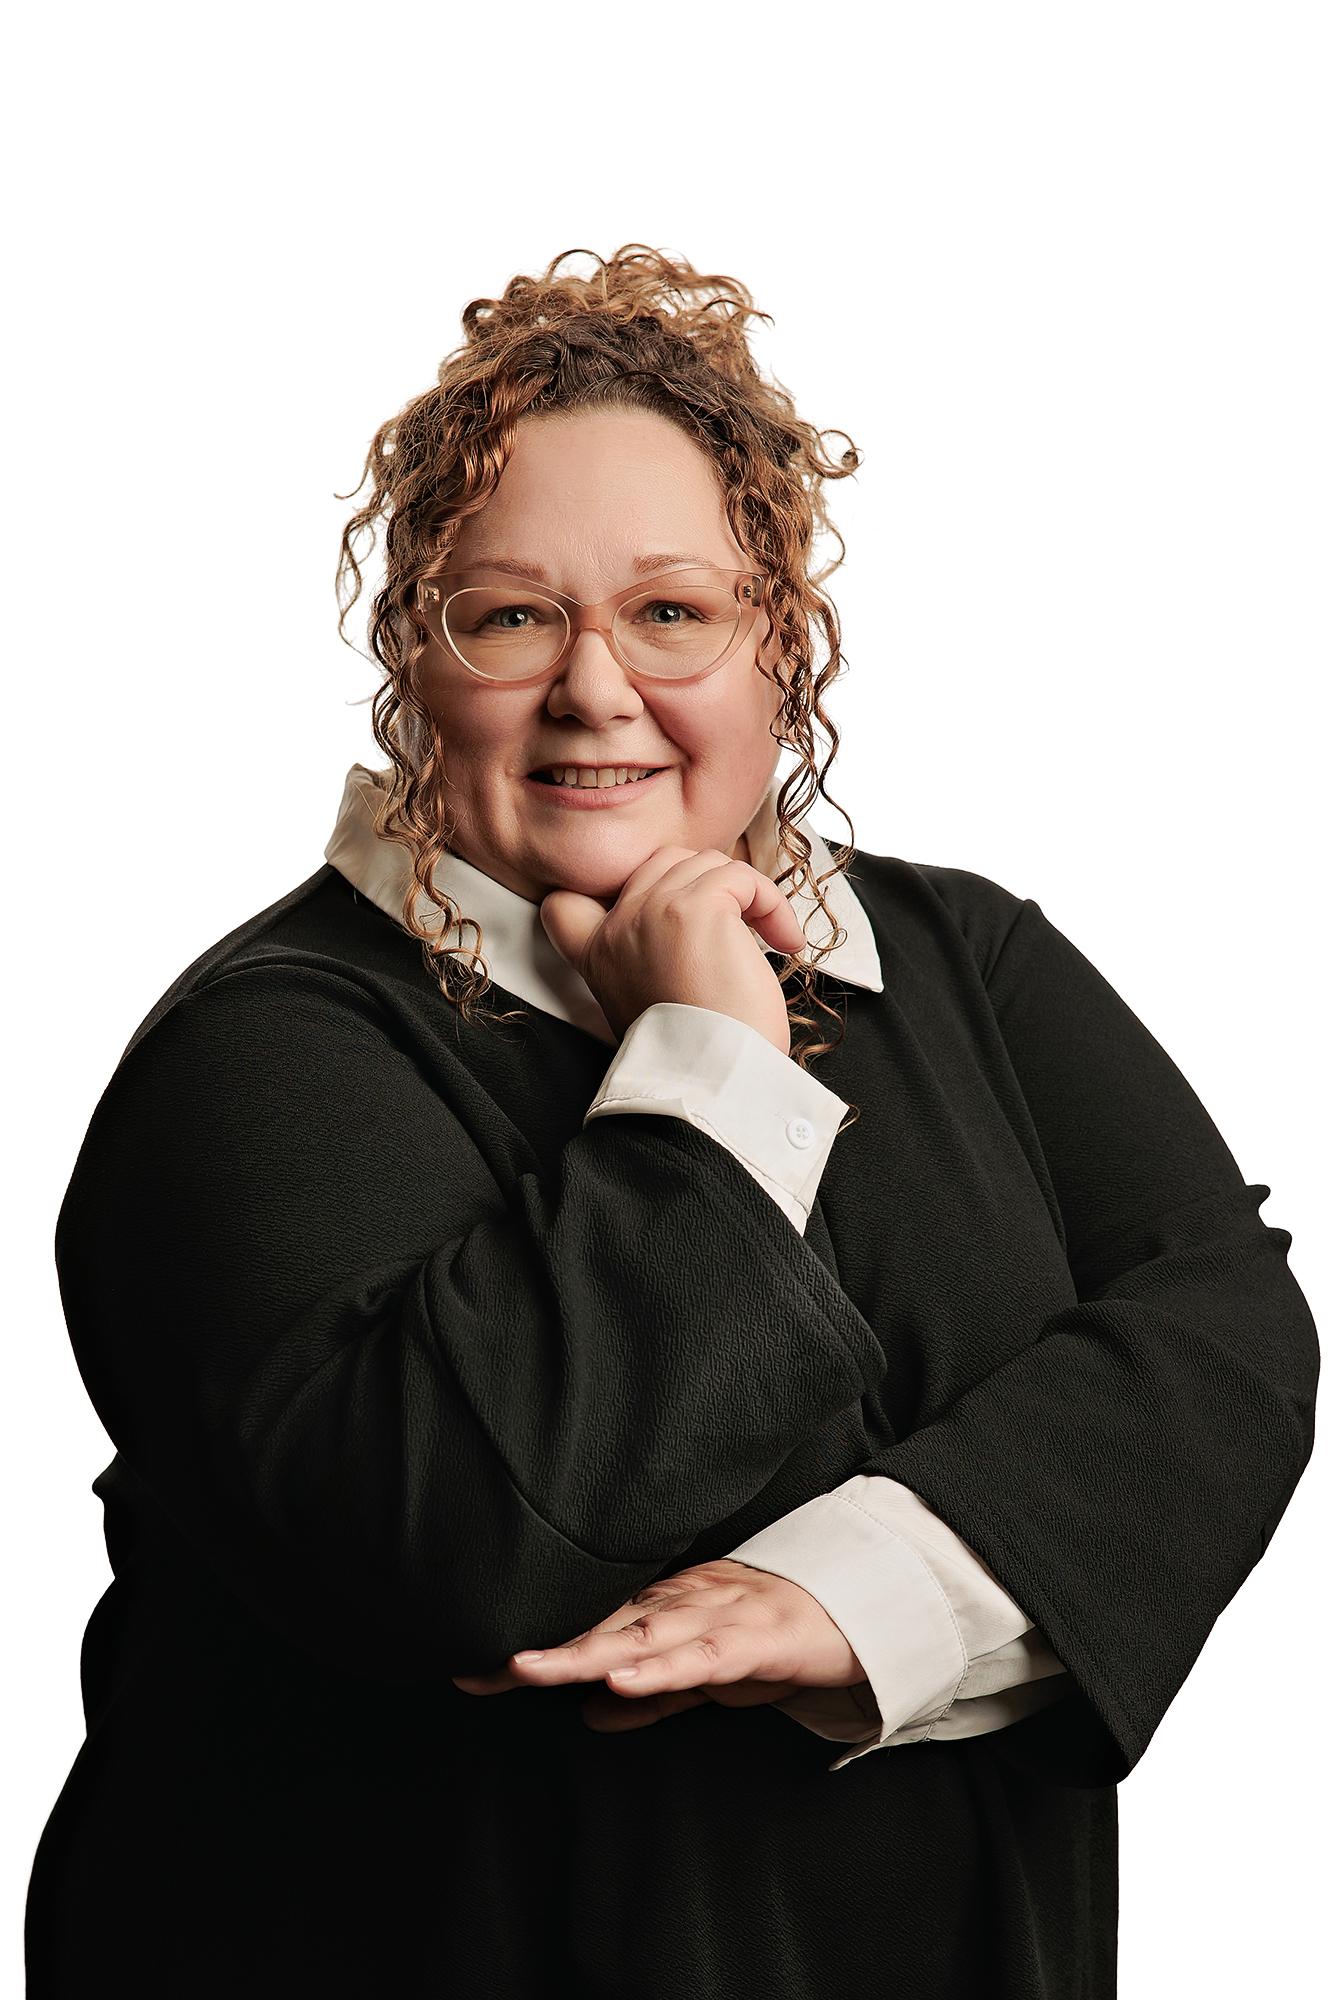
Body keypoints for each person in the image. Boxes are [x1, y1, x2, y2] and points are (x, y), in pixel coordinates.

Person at [25, 244, 1319, 1998]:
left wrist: (871, 1589)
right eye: (510, 615)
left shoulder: (964, 959)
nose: (594, 689)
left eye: (670, 611)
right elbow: (477, 1534)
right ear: (414, 653)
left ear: (779, 642)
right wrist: (710, 1055)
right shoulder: (263, 1053)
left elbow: (1219, 1332)